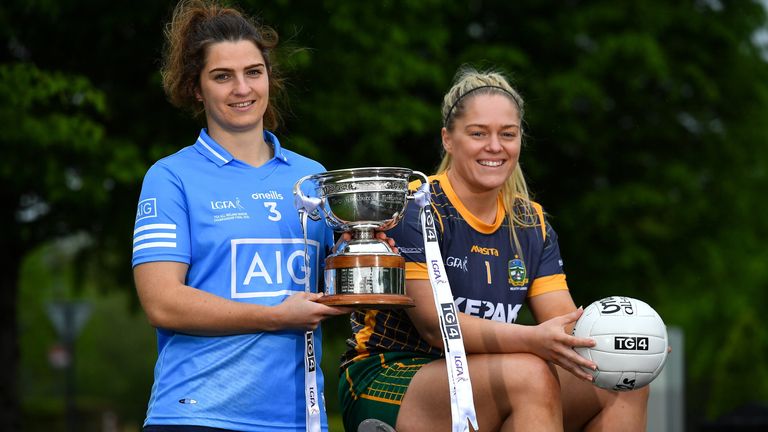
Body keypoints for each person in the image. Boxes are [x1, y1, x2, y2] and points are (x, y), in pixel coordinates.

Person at [338, 67, 650, 432]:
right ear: (448, 140)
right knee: (529, 374)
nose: (495, 146)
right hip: (395, 371)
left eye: (507, 134)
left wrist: (629, 339)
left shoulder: (530, 221)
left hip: (491, 372)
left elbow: (563, 321)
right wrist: (534, 339)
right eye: (478, 133)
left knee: (625, 379)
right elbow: (434, 327)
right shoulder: (416, 207)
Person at [131, 1, 370, 430]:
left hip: (298, 417)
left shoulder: (313, 178)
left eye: (253, 72)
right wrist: (276, 316)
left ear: (268, 78)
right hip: (196, 413)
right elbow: (162, 303)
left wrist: (370, 254)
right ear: (197, 87)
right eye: (223, 76)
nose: (242, 88)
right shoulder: (170, 177)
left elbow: (342, 286)